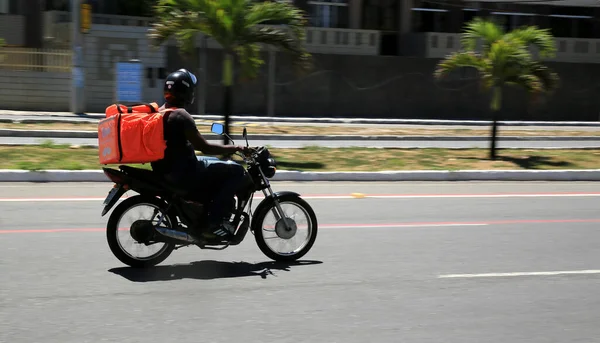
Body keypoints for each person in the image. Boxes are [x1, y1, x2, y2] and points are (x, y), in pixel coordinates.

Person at [150, 68, 251, 240]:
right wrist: (236, 149)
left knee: (214, 163)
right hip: (185, 173)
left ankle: (204, 209)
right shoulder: (181, 116)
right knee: (236, 171)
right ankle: (213, 223)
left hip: (167, 170)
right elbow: (205, 147)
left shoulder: (159, 112)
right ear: (186, 91)